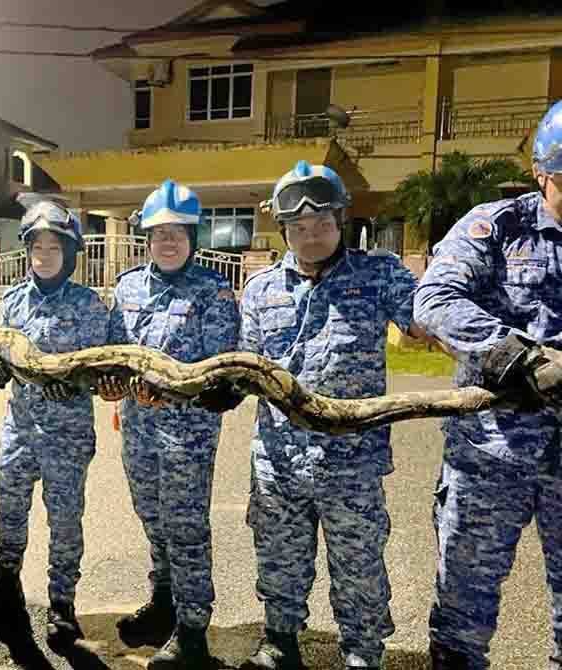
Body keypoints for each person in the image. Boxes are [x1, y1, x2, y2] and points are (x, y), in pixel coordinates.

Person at [234, 161, 425, 670]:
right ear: (284, 229)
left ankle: (362, 652)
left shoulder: (379, 273)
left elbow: (426, 322)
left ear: (341, 221)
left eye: (321, 225)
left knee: (359, 566)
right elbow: (244, 364)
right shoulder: (259, 290)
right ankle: (279, 641)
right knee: (279, 562)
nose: (311, 236)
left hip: (353, 463)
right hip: (276, 462)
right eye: (298, 228)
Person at [414, 99, 562, 670]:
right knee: (463, 612)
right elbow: (433, 300)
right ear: (541, 173)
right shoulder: (497, 228)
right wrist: (519, 357)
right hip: (490, 454)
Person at [100, 179, 240, 669]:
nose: (168, 242)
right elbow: (113, 353)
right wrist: (111, 384)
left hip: (189, 436)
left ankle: (193, 631)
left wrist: (177, 389)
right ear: (147, 239)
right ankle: (164, 603)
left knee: (185, 529)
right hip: (139, 432)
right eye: (159, 234)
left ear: (193, 238)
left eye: (178, 233)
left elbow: (223, 369)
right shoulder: (128, 287)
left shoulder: (213, 293)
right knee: (153, 519)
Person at [0, 197, 108, 651]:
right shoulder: (11, 302)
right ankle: (5, 592)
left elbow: (104, 371)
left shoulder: (90, 306)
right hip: (19, 431)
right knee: (9, 515)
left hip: (66, 434)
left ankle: (62, 605)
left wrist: (78, 382)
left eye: (54, 247)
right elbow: (1, 354)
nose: (44, 255)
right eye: (37, 247)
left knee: (64, 521)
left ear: (70, 252)